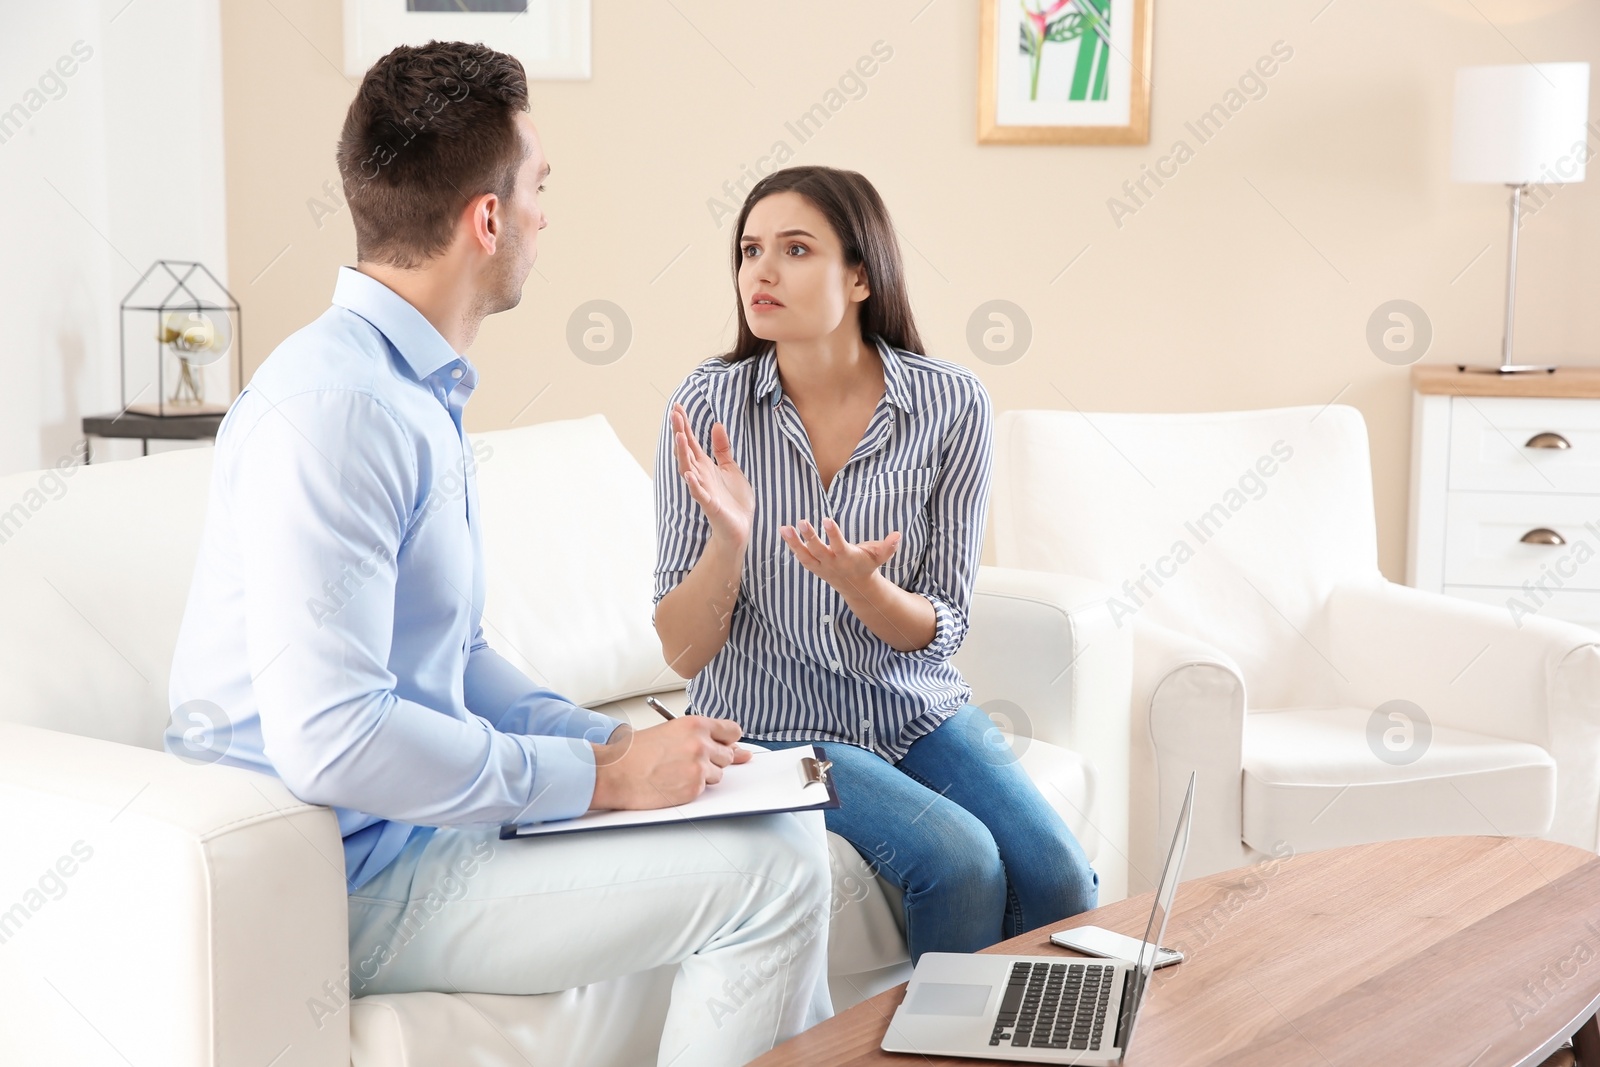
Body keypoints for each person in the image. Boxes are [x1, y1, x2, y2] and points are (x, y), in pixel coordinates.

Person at [166, 41, 831, 1067]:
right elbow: (332, 738)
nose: (542, 219)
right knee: (779, 871)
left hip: (408, 826)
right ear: (486, 218)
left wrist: (615, 749)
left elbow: (455, 654)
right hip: (339, 872)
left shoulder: (406, 388)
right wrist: (597, 779)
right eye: (538, 190)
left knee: (785, 833)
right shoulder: (337, 410)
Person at [652, 165, 1097, 964]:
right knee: (960, 863)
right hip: (774, 729)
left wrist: (868, 590)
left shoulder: (951, 405)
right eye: (751, 250)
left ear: (860, 274)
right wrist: (728, 538)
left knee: (1062, 878)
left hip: (912, 707)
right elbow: (683, 654)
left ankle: (1033, 1042)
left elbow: (943, 625)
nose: (762, 269)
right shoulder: (707, 406)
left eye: (795, 248)